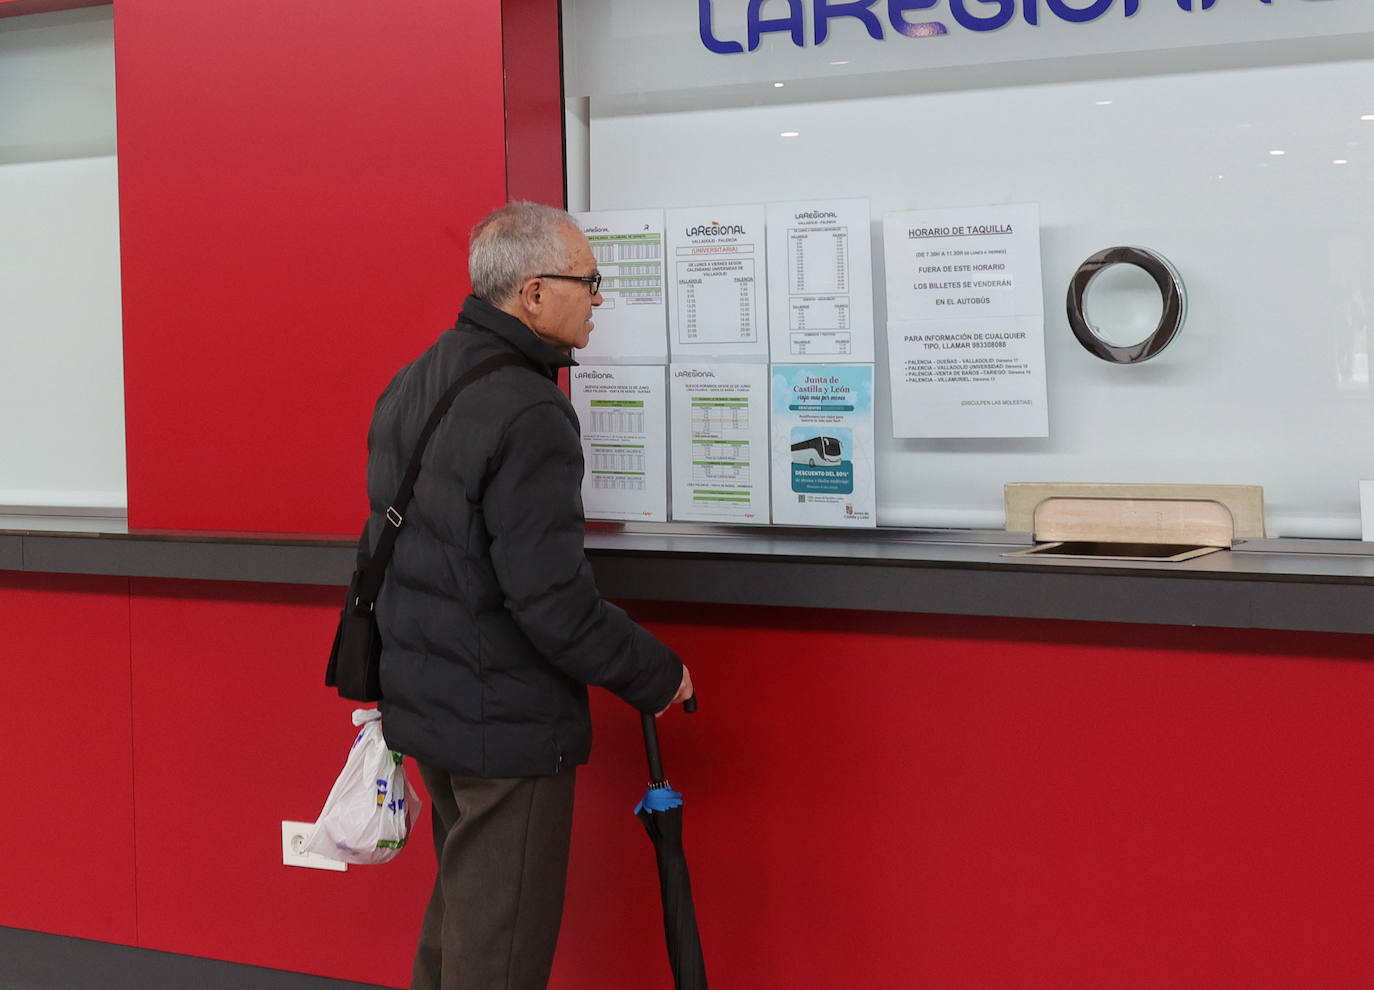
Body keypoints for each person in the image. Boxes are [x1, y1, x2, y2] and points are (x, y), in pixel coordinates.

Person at [359, 201, 694, 990]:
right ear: (535, 293)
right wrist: (656, 671)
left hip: (428, 705)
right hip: (502, 722)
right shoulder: (530, 407)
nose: (601, 298)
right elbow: (549, 601)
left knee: (461, 924)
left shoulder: (415, 379)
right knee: (500, 957)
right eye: (590, 282)